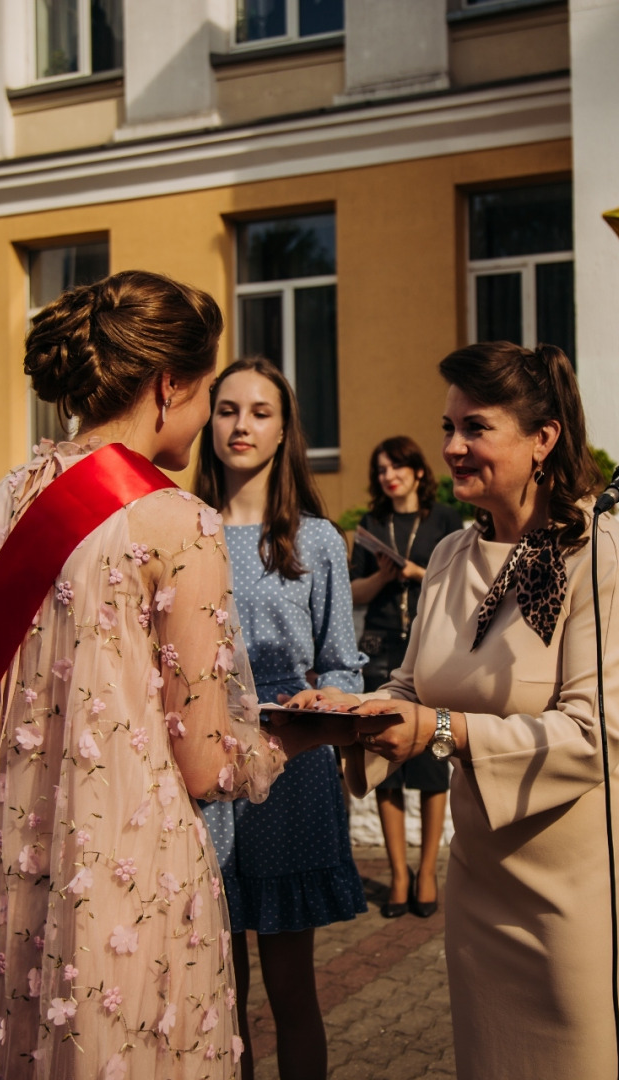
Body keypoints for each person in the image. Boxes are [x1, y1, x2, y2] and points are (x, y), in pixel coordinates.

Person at [0, 272, 358, 1080]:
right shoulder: (179, 521)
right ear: (168, 384)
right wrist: (308, 730)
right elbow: (212, 768)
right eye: (207, 388)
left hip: (1, 879)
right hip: (125, 885)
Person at [290, 341, 619, 1079]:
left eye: (476, 428)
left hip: (583, 878)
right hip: (484, 872)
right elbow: (413, 687)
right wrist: (350, 709)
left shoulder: (605, 553)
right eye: (448, 428)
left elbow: (599, 735)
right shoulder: (450, 555)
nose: (452, 448)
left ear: (544, 440)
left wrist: (438, 731)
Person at [194, 357, 367, 1080]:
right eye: (228, 409)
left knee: (291, 990)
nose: (241, 425)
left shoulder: (317, 539)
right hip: (200, 767)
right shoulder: (183, 530)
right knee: (212, 991)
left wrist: (319, 703)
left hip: (289, 770)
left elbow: (340, 662)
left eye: (260, 412)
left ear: (284, 428)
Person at [348, 436, 461, 917]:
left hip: (431, 649)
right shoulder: (370, 525)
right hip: (378, 649)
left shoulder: (445, 521)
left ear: (417, 471)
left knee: (434, 761)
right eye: (380, 468)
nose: (388, 474)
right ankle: (398, 875)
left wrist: (416, 572)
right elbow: (355, 591)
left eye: (396, 465)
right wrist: (382, 577)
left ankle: (428, 870)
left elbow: (458, 584)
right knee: (384, 766)